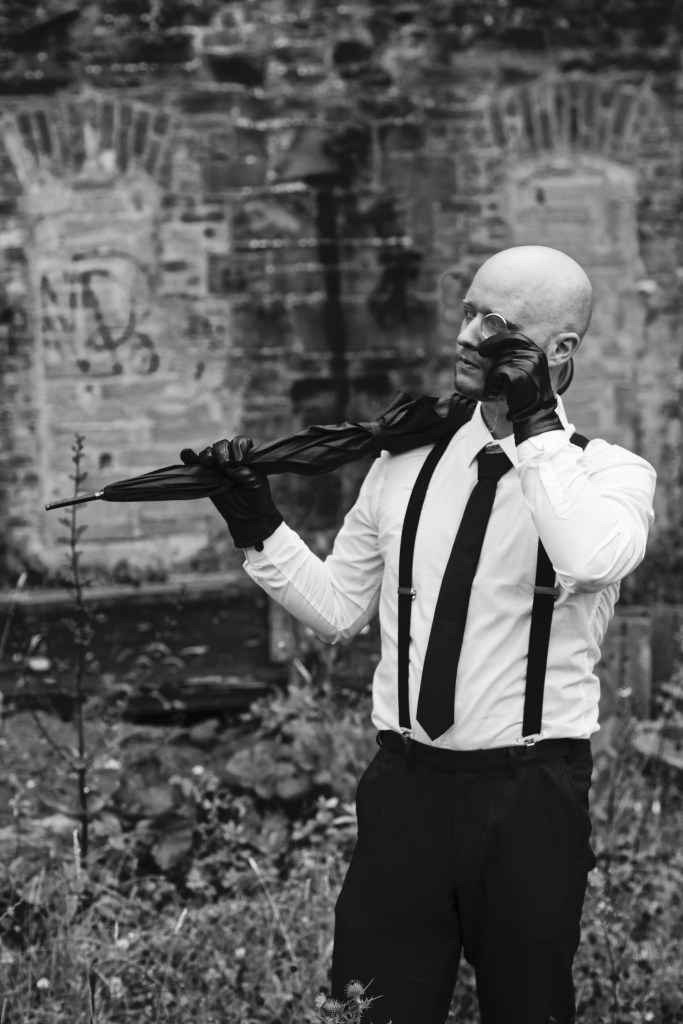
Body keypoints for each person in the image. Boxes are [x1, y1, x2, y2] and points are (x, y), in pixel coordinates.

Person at [182, 245, 656, 1024]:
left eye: (498, 324)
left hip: (530, 797)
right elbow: (339, 610)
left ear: (559, 350)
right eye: (467, 310)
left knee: (528, 1010)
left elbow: (585, 556)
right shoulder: (404, 464)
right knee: (372, 1009)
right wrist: (255, 520)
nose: (468, 335)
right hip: (403, 792)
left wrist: (531, 423)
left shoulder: (609, 476)